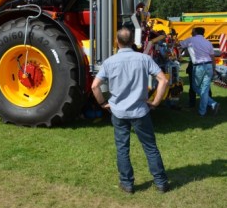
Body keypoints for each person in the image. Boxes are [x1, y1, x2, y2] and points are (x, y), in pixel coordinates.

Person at [91, 28, 170, 194]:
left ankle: (127, 184)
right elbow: (163, 80)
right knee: (150, 147)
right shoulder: (144, 59)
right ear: (133, 41)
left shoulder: (109, 62)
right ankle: (161, 183)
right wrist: (155, 102)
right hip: (141, 111)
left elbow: (94, 86)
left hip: (118, 112)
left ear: (116, 42)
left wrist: (103, 103)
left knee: (122, 148)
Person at [180, 27, 220, 116]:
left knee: (195, 88)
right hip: (209, 65)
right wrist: (214, 70)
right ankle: (203, 111)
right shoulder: (208, 42)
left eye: (192, 31)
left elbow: (178, 44)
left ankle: (212, 104)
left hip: (199, 66)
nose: (191, 32)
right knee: (205, 89)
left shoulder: (190, 40)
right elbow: (213, 57)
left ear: (195, 32)